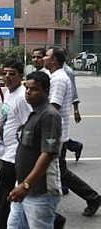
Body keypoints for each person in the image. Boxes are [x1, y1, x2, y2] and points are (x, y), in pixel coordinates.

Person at [44, 47, 101, 218]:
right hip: (56, 132)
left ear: (53, 60)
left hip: (55, 134)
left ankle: (92, 198)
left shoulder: (59, 79)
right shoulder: (55, 76)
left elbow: (54, 107)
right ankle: (92, 197)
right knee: (59, 172)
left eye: (47, 56)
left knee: (57, 171)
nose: (44, 58)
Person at [7, 71, 62, 229]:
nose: (29, 92)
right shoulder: (34, 113)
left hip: (39, 192)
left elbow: (48, 154)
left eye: (34, 89)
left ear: (46, 91)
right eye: (27, 89)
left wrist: (25, 186)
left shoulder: (50, 115)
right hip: (23, 188)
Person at [0, 59, 32, 229]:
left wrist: (23, 156)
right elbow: (4, 123)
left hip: (15, 155)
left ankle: (1, 224)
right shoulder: (7, 93)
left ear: (21, 76)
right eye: (5, 73)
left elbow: (28, 127)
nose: (7, 76)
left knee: (3, 195)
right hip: (6, 152)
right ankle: (55, 220)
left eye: (12, 73)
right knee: (9, 195)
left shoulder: (22, 97)